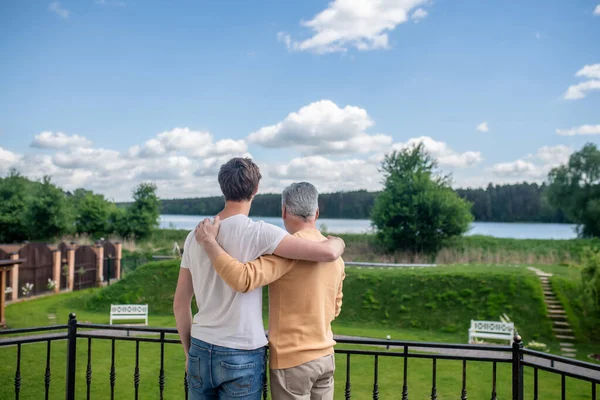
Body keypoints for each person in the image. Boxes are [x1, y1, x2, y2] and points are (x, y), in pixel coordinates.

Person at [173, 158, 345, 400]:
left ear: (223, 187)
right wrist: (338, 241)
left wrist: (190, 352)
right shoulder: (261, 233)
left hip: (201, 346)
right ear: (255, 190)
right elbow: (324, 252)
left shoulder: (195, 236)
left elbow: (181, 303)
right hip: (243, 349)